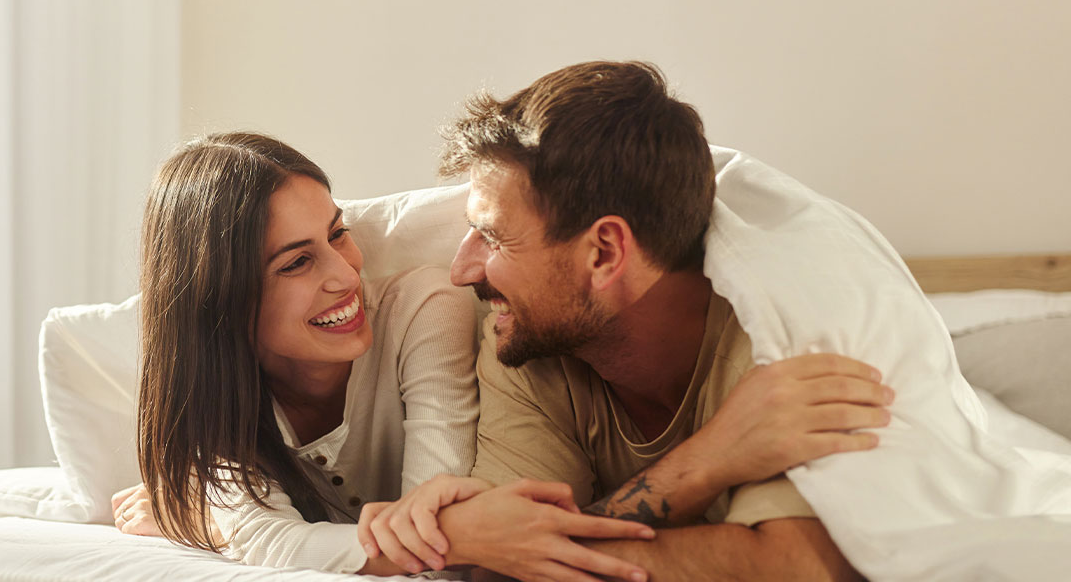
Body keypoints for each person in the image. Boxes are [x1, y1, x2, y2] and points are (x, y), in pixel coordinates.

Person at [357, 61, 892, 582]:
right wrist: (701, 464)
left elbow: (792, 568)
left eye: (493, 237)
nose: (460, 271)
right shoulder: (524, 342)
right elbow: (497, 563)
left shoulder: (780, 341)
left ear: (605, 252)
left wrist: (539, 549)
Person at [112, 132, 657, 576]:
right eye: (297, 263)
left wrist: (220, 523)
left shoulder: (422, 306)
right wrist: (227, 524)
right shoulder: (208, 391)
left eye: (338, 234)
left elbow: (428, 542)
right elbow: (279, 543)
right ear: (222, 300)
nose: (346, 274)